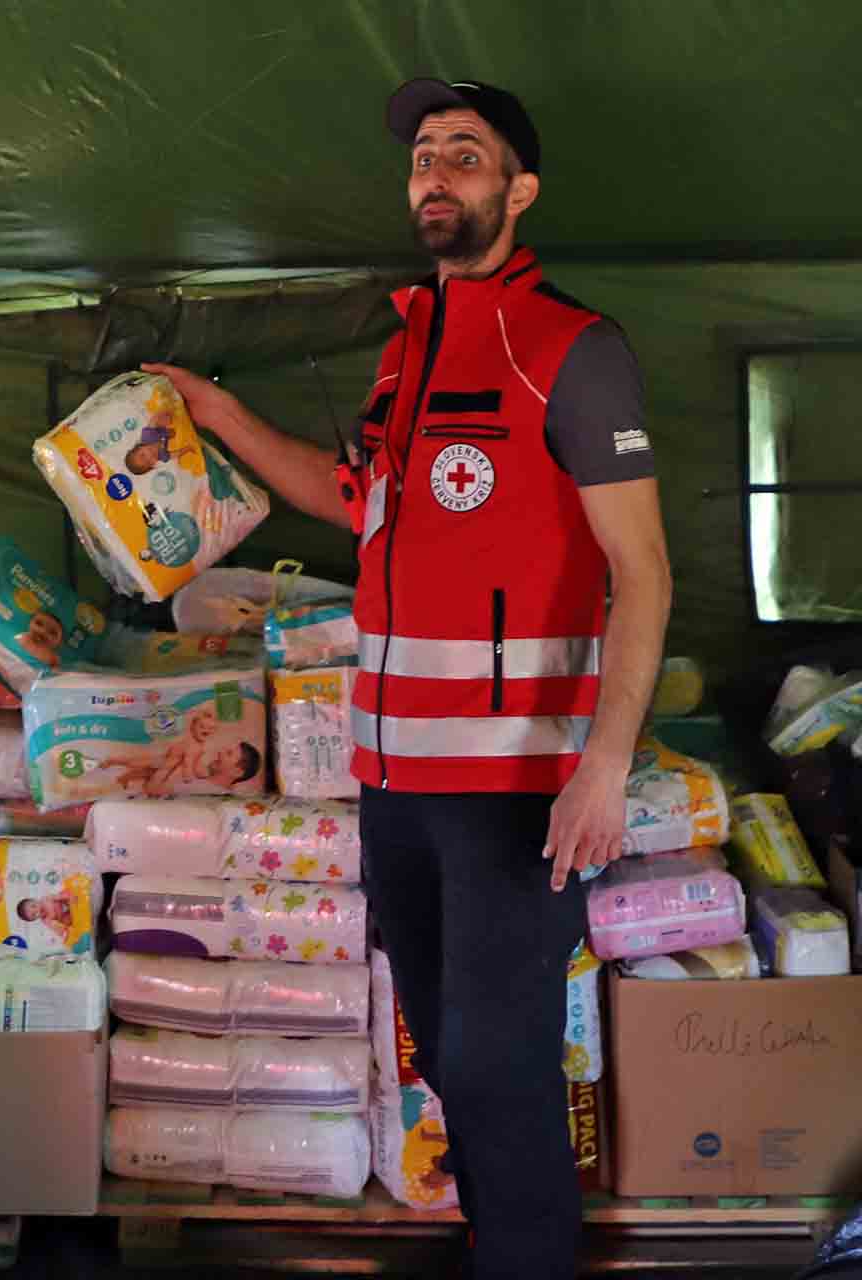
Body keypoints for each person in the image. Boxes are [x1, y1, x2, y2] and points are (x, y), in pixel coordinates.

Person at [145, 79, 671, 1280]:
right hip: (397, 787)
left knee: (499, 1055)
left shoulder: (571, 351)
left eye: (467, 157)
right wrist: (217, 411)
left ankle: (529, 1260)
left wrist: (604, 768)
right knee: (444, 1048)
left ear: (517, 190)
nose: (438, 174)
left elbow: (643, 573)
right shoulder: (404, 352)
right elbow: (349, 498)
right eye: (426, 157)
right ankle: (499, 1241)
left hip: (515, 793)